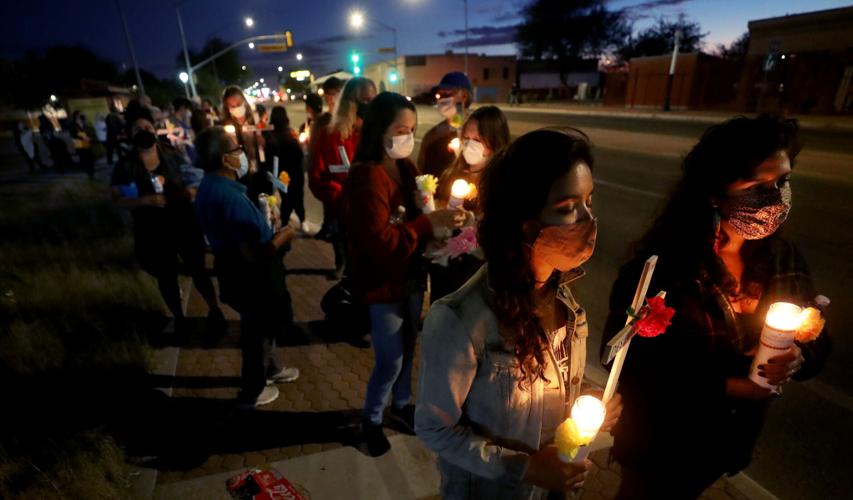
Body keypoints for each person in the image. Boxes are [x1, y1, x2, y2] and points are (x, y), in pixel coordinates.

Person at [601, 115, 831, 499]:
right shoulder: (664, 269)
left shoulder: (783, 258)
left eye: (782, 182)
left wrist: (799, 357)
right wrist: (731, 387)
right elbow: (627, 363)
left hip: (725, 445)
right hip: (660, 445)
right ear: (714, 191)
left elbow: (818, 336)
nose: (775, 197)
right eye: (757, 186)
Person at [415, 129, 623, 498]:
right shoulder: (460, 320)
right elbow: (435, 428)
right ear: (526, 224)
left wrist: (584, 403)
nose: (588, 219)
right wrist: (526, 468)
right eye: (568, 208)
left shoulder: (565, 301)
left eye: (589, 201)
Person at [344, 92, 466, 455]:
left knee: (409, 345)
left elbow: (420, 213)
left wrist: (440, 222)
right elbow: (380, 243)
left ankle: (401, 404)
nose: (407, 137)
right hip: (383, 286)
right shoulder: (368, 176)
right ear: (379, 130)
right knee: (390, 358)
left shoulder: (406, 167)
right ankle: (371, 418)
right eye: (400, 130)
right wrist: (427, 224)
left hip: (411, 278)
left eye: (412, 130)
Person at [194, 126, 301, 408]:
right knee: (256, 331)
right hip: (249, 275)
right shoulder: (226, 196)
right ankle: (252, 389)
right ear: (224, 159)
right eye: (236, 148)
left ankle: (272, 369)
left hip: (235, 269)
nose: (241, 153)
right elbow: (256, 253)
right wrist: (286, 234)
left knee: (263, 325)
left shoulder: (214, 187)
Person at [110, 106, 225, 336]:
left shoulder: (173, 155)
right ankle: (179, 317)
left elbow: (196, 183)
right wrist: (143, 201)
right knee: (166, 276)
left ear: (155, 130)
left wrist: (185, 195)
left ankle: (214, 309)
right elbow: (117, 199)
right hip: (152, 230)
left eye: (147, 127)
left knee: (198, 270)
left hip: (183, 223)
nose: (144, 131)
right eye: (138, 129)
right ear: (130, 134)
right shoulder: (125, 165)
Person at [429, 105, 511, 303]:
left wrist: (471, 224)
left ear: (495, 141)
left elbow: (502, 241)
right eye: (466, 138)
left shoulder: (502, 185)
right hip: (445, 275)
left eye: (477, 140)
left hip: (477, 281)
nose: (469, 144)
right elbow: (439, 216)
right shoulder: (451, 174)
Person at [310, 76, 377, 278]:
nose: (370, 105)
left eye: (373, 99)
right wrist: (341, 196)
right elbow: (317, 176)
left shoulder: (378, 133)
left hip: (375, 212)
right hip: (344, 211)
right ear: (351, 102)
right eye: (365, 100)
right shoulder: (332, 135)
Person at [417, 72, 473, 179]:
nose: (442, 100)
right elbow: (422, 176)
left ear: (464, 96)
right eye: (440, 95)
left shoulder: (479, 133)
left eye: (448, 95)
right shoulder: (432, 137)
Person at [310, 76, 344, 240]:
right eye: (328, 94)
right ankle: (328, 228)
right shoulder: (323, 121)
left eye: (334, 93)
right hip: (326, 168)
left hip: (342, 170)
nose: (331, 98)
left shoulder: (347, 119)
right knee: (328, 202)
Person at [264, 106, 308, 233]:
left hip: (281, 172)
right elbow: (299, 153)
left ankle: (285, 222)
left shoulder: (270, 135)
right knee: (297, 197)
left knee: (287, 198)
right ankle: (301, 220)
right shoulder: (291, 133)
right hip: (296, 171)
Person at [221, 86, 264, 174]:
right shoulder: (226, 125)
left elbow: (270, 140)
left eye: (238, 104)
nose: (236, 108)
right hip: (240, 171)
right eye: (232, 106)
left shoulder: (256, 119)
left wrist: (264, 141)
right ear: (227, 108)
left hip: (261, 167)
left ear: (244, 102)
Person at [172, 97, 197, 164]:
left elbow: (192, 136)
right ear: (182, 108)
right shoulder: (173, 123)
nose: (188, 112)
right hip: (187, 159)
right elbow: (179, 145)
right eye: (187, 109)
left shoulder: (183, 122)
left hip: (192, 155)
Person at [70, 111, 95, 178]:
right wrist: (83, 137)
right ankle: (88, 171)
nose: (79, 116)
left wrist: (89, 137)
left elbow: (87, 130)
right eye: (78, 115)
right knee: (84, 157)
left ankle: (91, 170)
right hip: (79, 143)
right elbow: (74, 134)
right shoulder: (73, 124)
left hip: (86, 141)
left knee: (89, 156)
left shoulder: (83, 122)